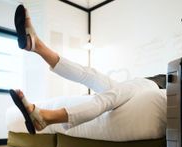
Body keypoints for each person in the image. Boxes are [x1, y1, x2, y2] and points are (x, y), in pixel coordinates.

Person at [10, 5, 166, 134]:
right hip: (141, 82)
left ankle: (46, 117)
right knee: (90, 74)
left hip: (154, 85)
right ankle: (37, 45)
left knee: (108, 97)